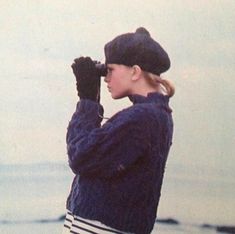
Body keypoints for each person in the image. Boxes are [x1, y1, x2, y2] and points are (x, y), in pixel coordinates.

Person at [62, 27, 175, 234]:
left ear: (135, 71)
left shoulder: (141, 118)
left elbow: (81, 156)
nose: (106, 78)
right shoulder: (157, 115)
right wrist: (92, 98)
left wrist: (87, 100)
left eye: (110, 69)